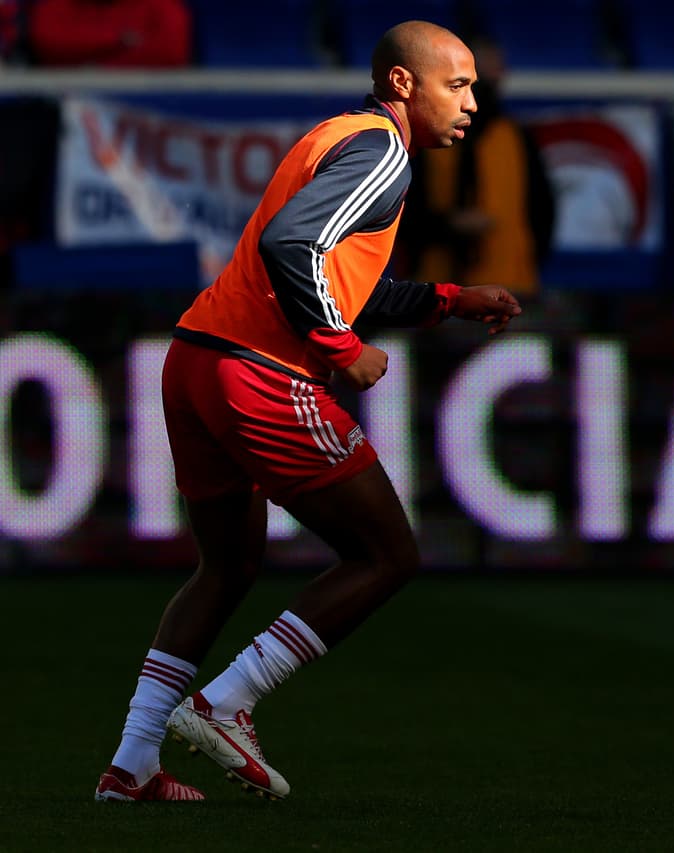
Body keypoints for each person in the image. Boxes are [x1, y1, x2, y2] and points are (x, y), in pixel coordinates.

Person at [93, 20, 521, 802]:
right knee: (387, 554)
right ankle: (225, 702)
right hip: (257, 371)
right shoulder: (384, 151)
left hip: (195, 358)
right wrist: (337, 346)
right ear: (402, 84)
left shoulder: (341, 136)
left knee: (224, 566)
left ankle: (132, 765)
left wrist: (451, 300)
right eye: (457, 84)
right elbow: (293, 246)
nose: (472, 100)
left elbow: (338, 271)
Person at [399, 36, 555, 296]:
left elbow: (542, 209)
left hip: (508, 285)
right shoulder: (426, 141)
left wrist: (529, 261)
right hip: (435, 289)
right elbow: (404, 215)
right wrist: (448, 224)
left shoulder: (516, 138)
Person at [28, 0, 191, 68]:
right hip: (59, 104)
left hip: (147, 106)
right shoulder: (59, 5)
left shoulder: (159, 5)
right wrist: (117, 40)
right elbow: (47, 41)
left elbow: (171, 53)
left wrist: (103, 70)